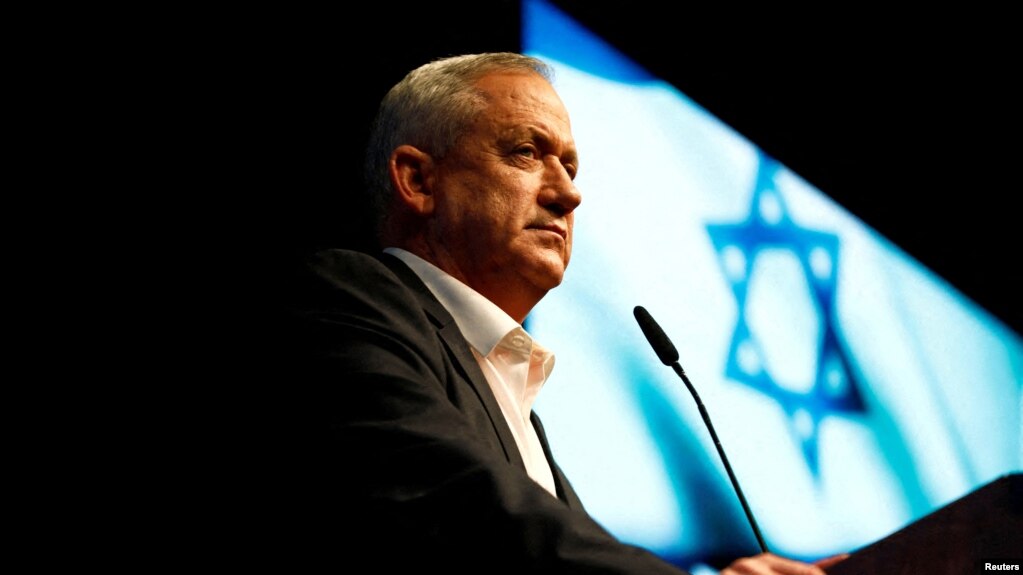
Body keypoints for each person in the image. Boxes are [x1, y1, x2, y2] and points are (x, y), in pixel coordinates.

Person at [270, 52, 848, 574]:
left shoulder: (509, 390)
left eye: (570, 168)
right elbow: (457, 502)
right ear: (419, 180)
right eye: (527, 152)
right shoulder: (344, 297)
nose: (568, 195)